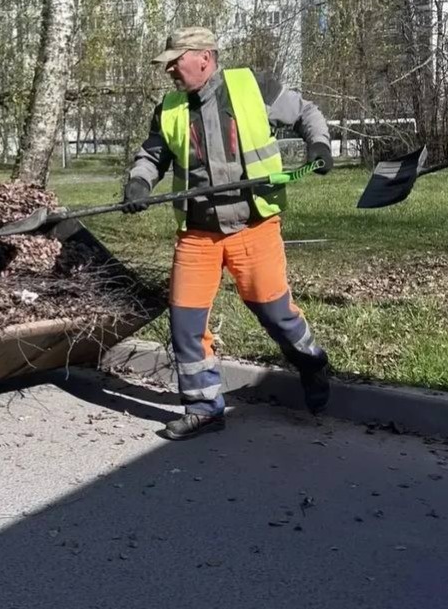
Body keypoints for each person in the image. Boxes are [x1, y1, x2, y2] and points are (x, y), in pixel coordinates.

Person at [122, 26, 333, 440]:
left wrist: (319, 146)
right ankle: (204, 408)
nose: (170, 72)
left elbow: (307, 113)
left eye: (175, 63)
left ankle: (311, 361)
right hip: (198, 234)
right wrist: (138, 183)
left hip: (252, 225)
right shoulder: (169, 107)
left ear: (204, 56)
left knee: (275, 313)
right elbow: (151, 155)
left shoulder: (251, 86)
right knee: (185, 322)